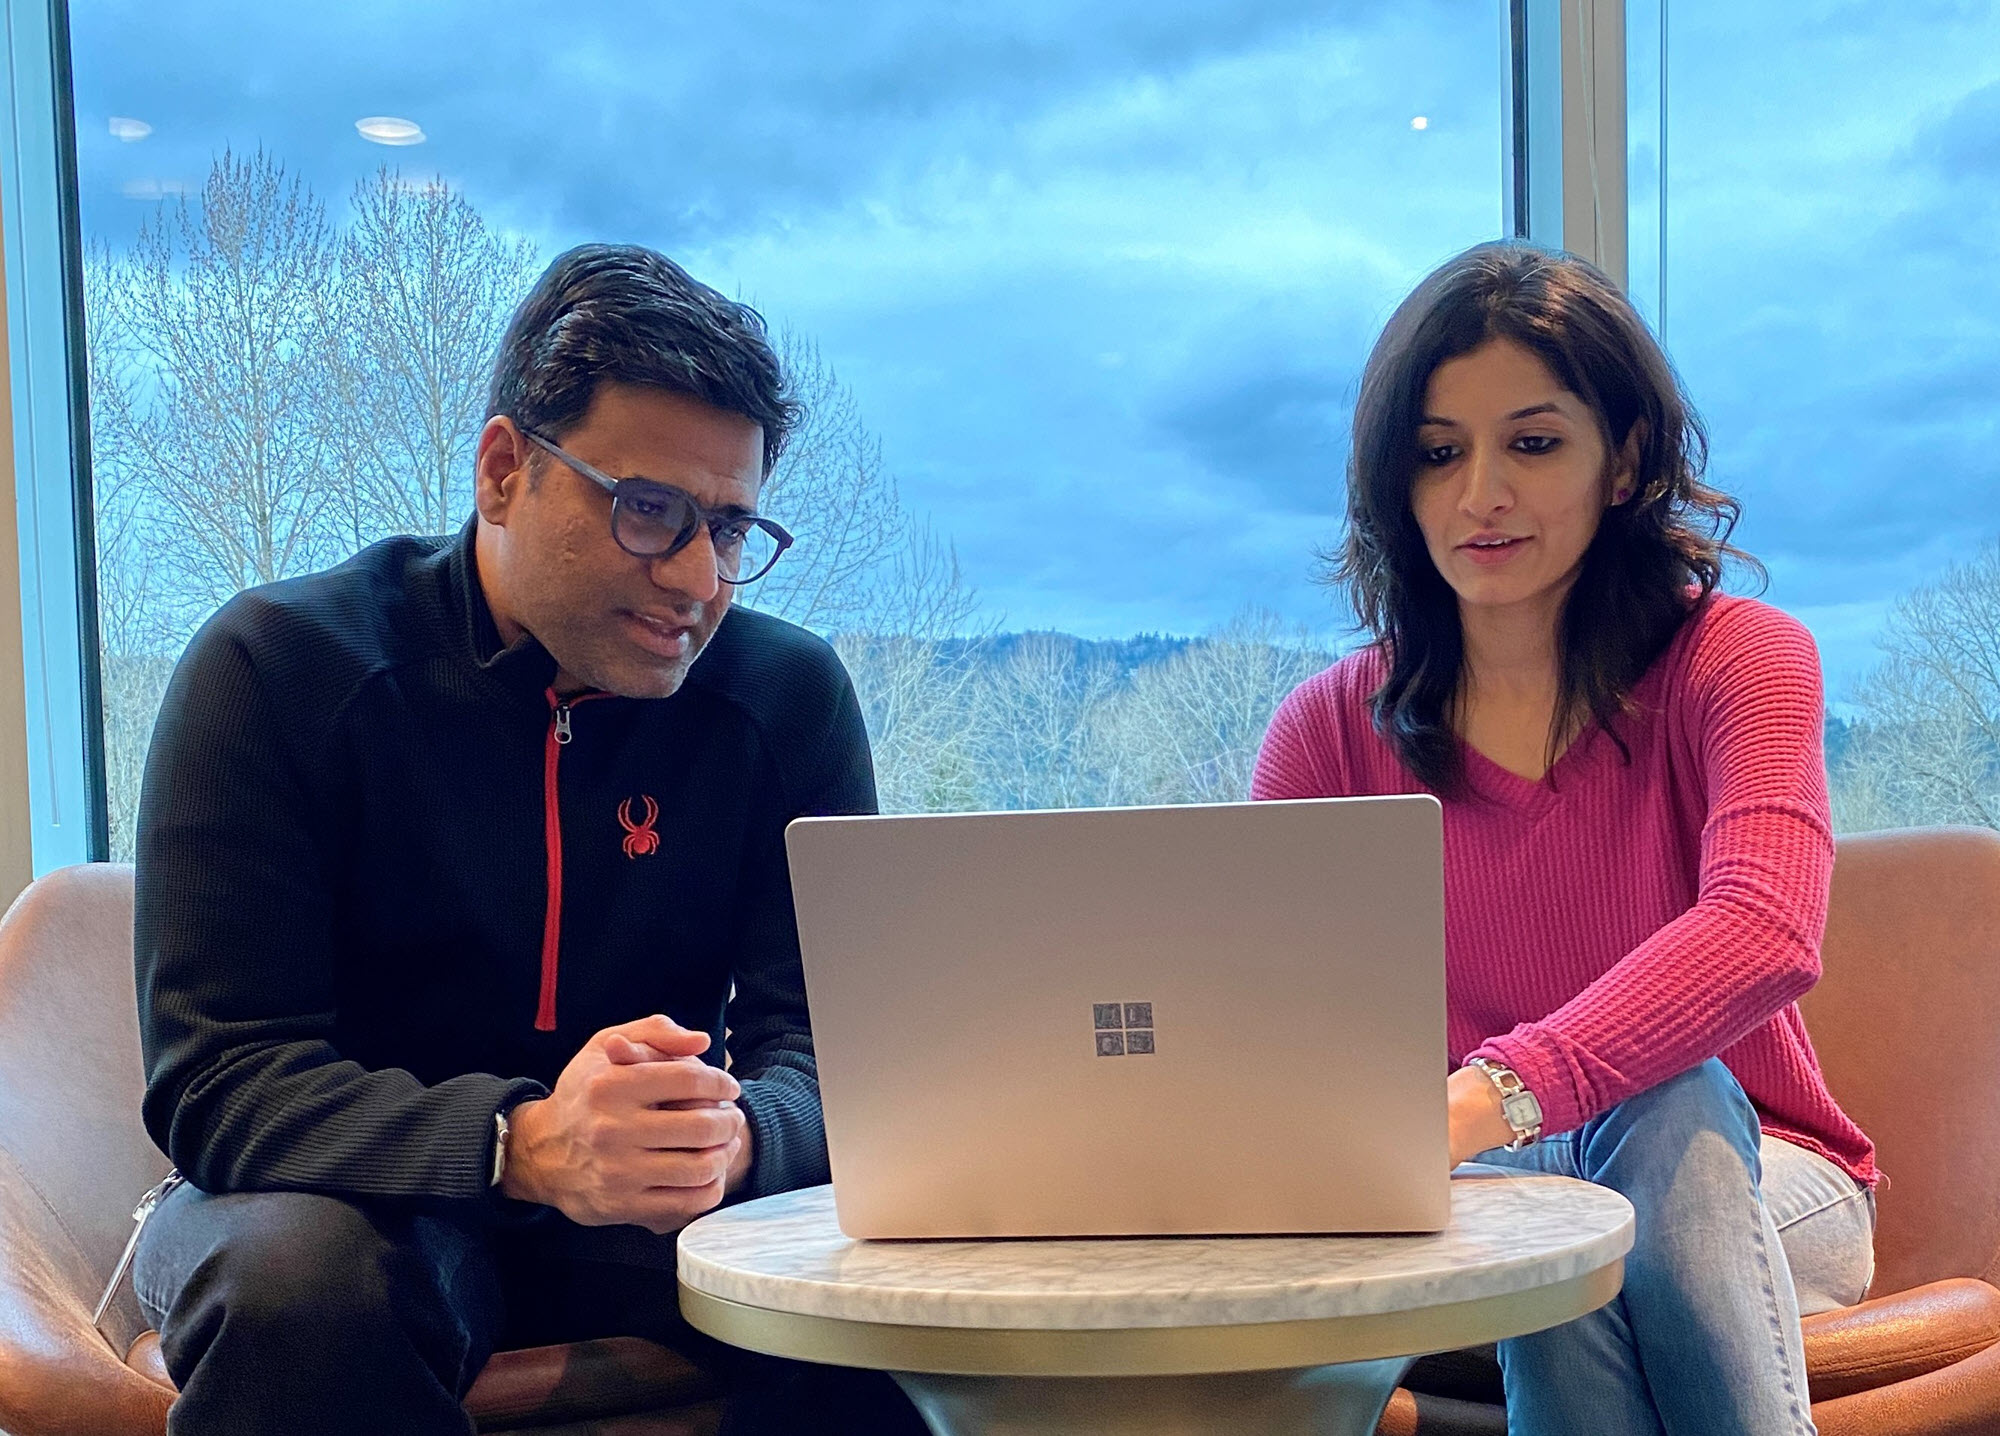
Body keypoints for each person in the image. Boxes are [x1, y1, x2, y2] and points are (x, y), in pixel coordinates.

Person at [130, 244, 926, 1435]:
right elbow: (220, 1078)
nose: (699, 580)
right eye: (650, 511)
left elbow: (835, 1051)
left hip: (657, 1209)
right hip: (344, 1198)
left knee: (886, 1301)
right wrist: (522, 1140)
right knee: (300, 1285)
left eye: (730, 525)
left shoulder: (782, 698)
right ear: (504, 470)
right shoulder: (276, 669)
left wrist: (737, 1132)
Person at [1252, 241, 1876, 1435]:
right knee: (1559, 1256)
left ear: (1624, 459)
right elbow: (1256, 1022)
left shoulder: (1739, 660)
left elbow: (1763, 928)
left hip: (1755, 1177)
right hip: (1479, 1195)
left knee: (1659, 1118)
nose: (1480, 491)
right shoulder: (1325, 730)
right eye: (1438, 452)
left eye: (1531, 443)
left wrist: (1492, 1095)